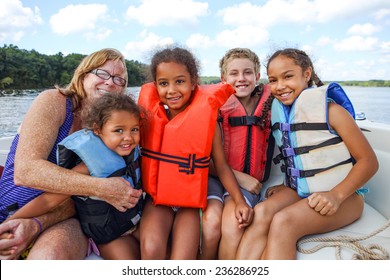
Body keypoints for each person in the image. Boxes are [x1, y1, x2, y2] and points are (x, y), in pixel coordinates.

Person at [235, 48, 379, 259]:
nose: (280, 86)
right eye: (273, 80)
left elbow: (369, 162)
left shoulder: (332, 111)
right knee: (261, 213)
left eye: (288, 76)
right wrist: (287, 183)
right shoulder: (281, 114)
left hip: (345, 198)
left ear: (307, 74)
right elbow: (300, 157)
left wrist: (336, 195)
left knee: (283, 222)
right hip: (299, 190)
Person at [0, 48, 140, 260]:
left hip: (60, 219)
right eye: (102, 73)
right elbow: (26, 172)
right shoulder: (55, 101)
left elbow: (77, 202)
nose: (110, 82)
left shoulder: (110, 132)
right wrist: (102, 188)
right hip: (10, 210)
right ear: (83, 75)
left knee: (48, 259)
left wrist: (37, 224)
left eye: (119, 79)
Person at [138, 46, 253, 260]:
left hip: (188, 205)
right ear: (155, 86)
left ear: (193, 82)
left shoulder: (207, 122)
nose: (171, 90)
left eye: (179, 81)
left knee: (182, 259)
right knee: (152, 249)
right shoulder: (146, 119)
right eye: (164, 83)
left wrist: (239, 201)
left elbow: (221, 166)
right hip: (156, 201)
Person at [200, 48, 274, 260]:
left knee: (233, 225)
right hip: (215, 178)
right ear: (224, 78)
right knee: (212, 222)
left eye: (248, 72)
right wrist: (239, 177)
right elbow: (201, 158)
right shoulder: (213, 107)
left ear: (257, 76)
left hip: (248, 184)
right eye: (234, 74)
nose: (241, 79)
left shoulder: (270, 105)